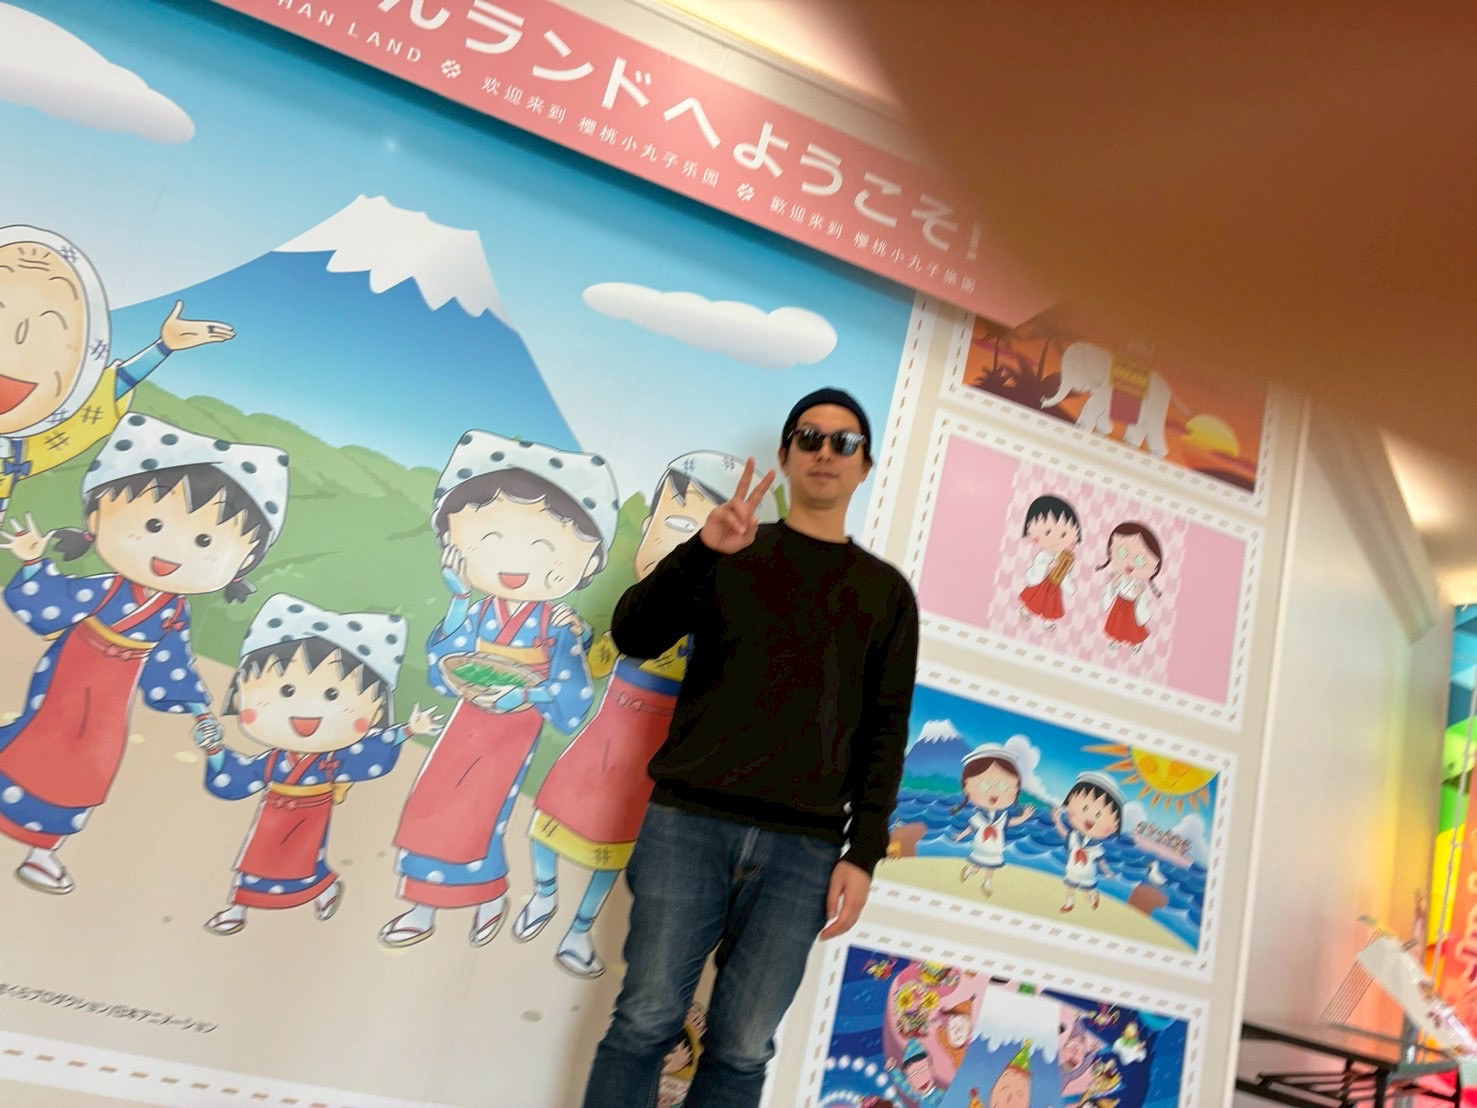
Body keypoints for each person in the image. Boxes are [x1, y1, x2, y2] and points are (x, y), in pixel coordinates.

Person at [582, 387, 920, 1108]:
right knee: (644, 1021)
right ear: (785, 457)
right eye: (809, 437)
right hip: (687, 825)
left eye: (843, 442)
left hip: (804, 851)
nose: (825, 452)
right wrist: (700, 551)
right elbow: (633, 635)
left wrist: (862, 853)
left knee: (741, 1049)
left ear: (864, 466)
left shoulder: (886, 593)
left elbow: (885, 731)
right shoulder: (730, 549)